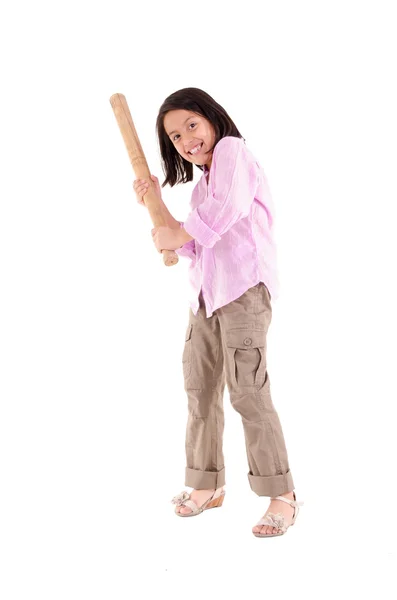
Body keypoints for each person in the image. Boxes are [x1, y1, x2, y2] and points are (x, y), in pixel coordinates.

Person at [133, 87, 303, 538]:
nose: (187, 140)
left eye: (191, 125)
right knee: (200, 388)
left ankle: (281, 495)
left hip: (244, 292)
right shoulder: (202, 184)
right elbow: (192, 244)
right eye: (174, 137)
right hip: (206, 297)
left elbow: (221, 216)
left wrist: (177, 234)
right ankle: (207, 485)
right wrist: (158, 208)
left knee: (248, 391)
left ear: (212, 118)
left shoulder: (232, 151)